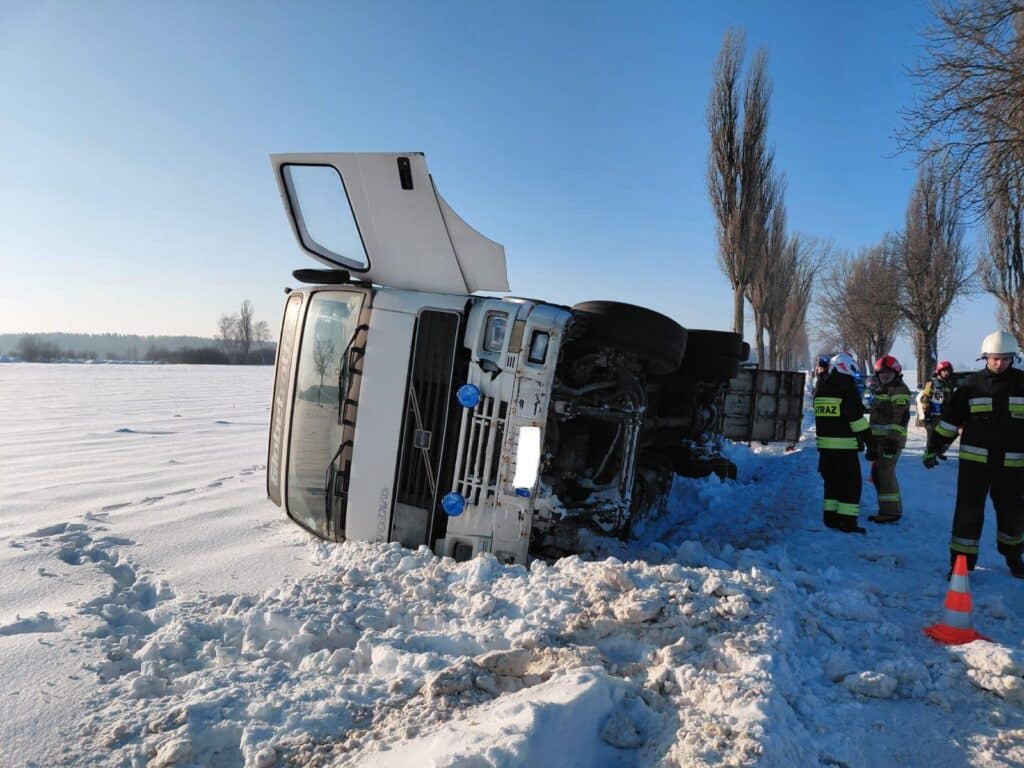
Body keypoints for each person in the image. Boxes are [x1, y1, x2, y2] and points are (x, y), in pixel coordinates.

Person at [924, 331, 1024, 579]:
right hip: (974, 466)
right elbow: (949, 423)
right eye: (993, 358)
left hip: (1012, 466)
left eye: (1004, 358)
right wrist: (934, 448)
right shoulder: (970, 387)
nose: (999, 363)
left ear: (1012, 357)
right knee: (968, 514)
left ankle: (1014, 558)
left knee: (1012, 514)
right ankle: (961, 565)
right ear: (985, 357)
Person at [814, 353, 876, 533]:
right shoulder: (847, 387)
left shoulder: (821, 387)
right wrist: (870, 443)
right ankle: (848, 522)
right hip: (844, 448)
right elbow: (856, 421)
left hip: (825, 449)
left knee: (831, 484)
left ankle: (830, 518)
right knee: (850, 485)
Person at [866, 355, 911, 523]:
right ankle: (891, 509)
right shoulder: (882, 389)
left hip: (891, 441)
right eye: (881, 372)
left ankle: (890, 512)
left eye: (888, 372)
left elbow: (900, 417)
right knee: (878, 473)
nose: (884, 375)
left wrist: (892, 440)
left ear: (896, 372)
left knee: (884, 473)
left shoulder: (899, 390)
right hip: (880, 442)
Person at [918, 360, 955, 435]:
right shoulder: (931, 383)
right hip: (934, 417)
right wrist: (927, 415)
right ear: (939, 371)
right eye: (944, 371)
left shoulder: (949, 385)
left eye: (948, 371)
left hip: (946, 417)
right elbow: (925, 399)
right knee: (933, 441)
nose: (946, 373)